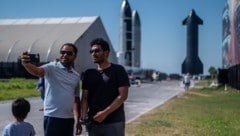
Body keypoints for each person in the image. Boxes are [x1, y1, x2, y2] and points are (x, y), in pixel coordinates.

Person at [21, 43, 82, 136]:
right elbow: (37, 71)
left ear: (75, 56)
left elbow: (76, 100)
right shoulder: (51, 67)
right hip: (52, 117)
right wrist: (26, 64)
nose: (65, 55)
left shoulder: (76, 76)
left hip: (69, 119)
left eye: (69, 53)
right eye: (63, 52)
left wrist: (77, 119)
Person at [81, 38, 130, 136]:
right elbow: (85, 97)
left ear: (106, 53)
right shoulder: (88, 73)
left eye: (97, 51)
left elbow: (123, 95)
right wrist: (84, 115)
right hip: (94, 123)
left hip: (114, 122)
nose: (93, 54)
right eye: (91, 51)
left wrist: (105, 113)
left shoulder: (118, 70)